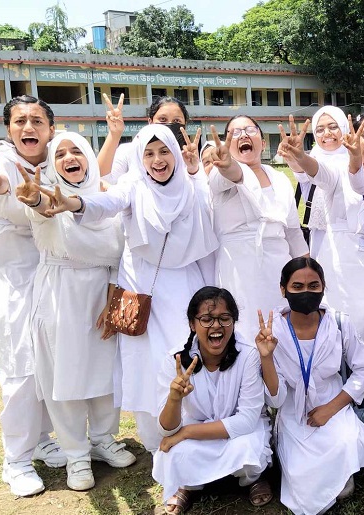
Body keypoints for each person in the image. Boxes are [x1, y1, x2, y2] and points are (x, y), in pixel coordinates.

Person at [44, 124, 218, 452]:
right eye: (149, 153)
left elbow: (210, 214)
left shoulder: (192, 187)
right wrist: (76, 205)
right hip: (142, 289)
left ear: (175, 154)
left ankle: (194, 435)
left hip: (185, 287)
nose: (157, 160)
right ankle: (157, 443)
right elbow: (108, 202)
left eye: (164, 151)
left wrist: (195, 171)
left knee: (187, 359)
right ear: (139, 157)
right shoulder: (133, 186)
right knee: (147, 364)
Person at [15, 132, 136, 491]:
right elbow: (42, 209)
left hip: (103, 291)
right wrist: (35, 198)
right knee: (64, 376)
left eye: (76, 151)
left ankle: (101, 439)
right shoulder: (50, 195)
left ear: (87, 156)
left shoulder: (105, 197)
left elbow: (121, 251)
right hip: (61, 293)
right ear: (52, 164)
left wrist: (113, 298)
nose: (70, 158)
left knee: (104, 373)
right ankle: (76, 454)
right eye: (60, 153)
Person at [0, 95, 66, 497]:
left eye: (37, 120)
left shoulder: (57, 157)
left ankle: (41, 437)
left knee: (47, 359)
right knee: (20, 366)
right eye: (20, 121)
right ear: (9, 129)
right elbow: (2, 195)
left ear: (50, 129)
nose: (29, 127)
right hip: (8, 277)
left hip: (48, 273)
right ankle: (17, 459)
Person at [259, 257, 364, 515]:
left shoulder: (338, 322)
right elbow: (276, 399)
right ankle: (330, 477)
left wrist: (330, 409)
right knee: (301, 479)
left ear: (323, 287)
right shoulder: (273, 330)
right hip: (294, 412)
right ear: (283, 289)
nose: (306, 292)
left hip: (333, 404)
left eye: (313, 286)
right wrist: (266, 357)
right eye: (297, 286)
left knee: (346, 441)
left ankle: (341, 473)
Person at [276, 109, 364, 340]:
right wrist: (300, 156)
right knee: (341, 329)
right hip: (340, 267)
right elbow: (318, 172)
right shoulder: (338, 171)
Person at [152, 287, 272, 514]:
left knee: (247, 446)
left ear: (233, 322)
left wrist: (185, 433)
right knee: (176, 453)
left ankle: (253, 479)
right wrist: (174, 399)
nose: (216, 326)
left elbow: (246, 421)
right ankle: (189, 485)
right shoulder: (174, 360)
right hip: (199, 431)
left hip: (235, 431)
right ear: (192, 324)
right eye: (206, 319)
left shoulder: (248, 355)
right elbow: (166, 429)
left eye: (224, 319)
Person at [202, 115, 308, 342]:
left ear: (261, 139)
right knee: (243, 332)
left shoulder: (279, 179)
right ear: (226, 144)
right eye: (236, 133)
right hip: (239, 270)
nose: (243, 136)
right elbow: (233, 174)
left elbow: (293, 233)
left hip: (277, 268)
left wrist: (310, 270)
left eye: (250, 130)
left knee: (279, 332)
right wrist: (228, 164)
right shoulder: (220, 176)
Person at [282, 107, 348, 256]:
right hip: (320, 240)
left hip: (352, 240)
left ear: (344, 127)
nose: (327, 133)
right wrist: (293, 159)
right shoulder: (312, 160)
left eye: (333, 127)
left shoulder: (359, 162)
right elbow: (302, 176)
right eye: (319, 130)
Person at [97, 94, 191, 183]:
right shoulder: (129, 151)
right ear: (150, 122)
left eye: (176, 121)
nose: (169, 125)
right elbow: (102, 180)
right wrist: (114, 134)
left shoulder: (190, 158)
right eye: (162, 119)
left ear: (185, 125)